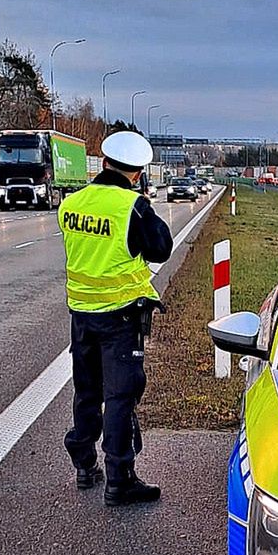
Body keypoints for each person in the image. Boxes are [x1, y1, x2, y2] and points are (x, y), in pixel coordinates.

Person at [59, 131, 174, 506]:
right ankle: (119, 479)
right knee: (120, 395)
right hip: (120, 317)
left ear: (103, 163)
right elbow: (161, 248)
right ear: (138, 173)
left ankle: (83, 462)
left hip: (81, 315)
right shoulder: (133, 207)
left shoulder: (72, 203)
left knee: (87, 390)